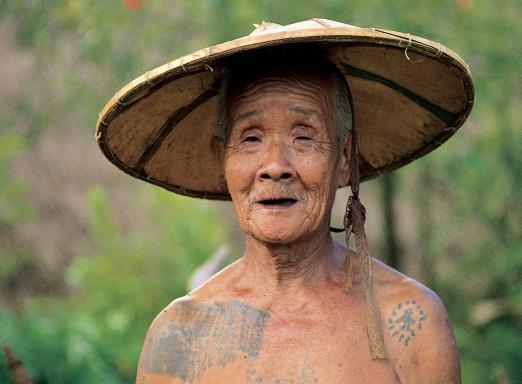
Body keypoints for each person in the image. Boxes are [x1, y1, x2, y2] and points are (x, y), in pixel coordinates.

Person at [96, 19, 474, 383]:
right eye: (251, 138)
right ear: (221, 160)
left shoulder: (409, 321)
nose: (275, 167)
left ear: (343, 159)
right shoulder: (180, 335)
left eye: (304, 137)